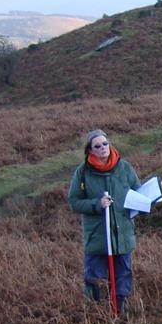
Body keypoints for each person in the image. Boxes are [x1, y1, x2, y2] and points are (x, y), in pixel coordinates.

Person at [66, 128, 141, 307]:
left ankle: (119, 311)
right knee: (94, 278)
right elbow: (74, 201)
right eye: (97, 146)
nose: (102, 148)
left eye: (105, 144)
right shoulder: (82, 172)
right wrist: (97, 205)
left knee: (123, 276)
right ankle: (95, 315)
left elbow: (138, 191)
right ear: (90, 150)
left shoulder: (125, 167)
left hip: (122, 235)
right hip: (97, 238)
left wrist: (144, 203)